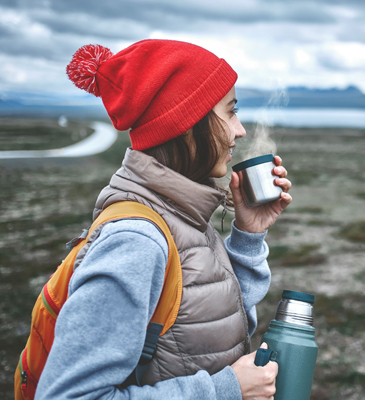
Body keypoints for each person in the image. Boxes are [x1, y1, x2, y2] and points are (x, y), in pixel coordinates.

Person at [35, 39, 292, 400]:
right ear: (188, 123)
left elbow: (208, 324)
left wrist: (249, 234)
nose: (240, 130)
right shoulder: (137, 241)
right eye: (230, 112)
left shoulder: (183, 213)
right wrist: (225, 390)